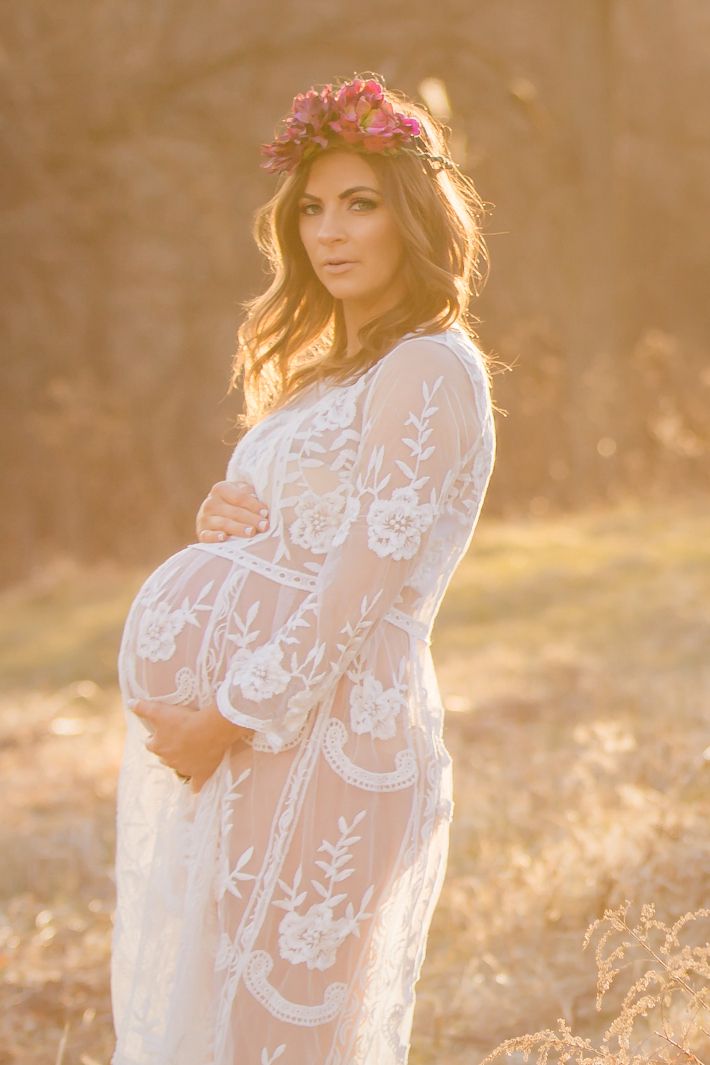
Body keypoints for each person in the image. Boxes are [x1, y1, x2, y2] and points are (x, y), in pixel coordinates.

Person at [112, 73, 496, 1065]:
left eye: (359, 204)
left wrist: (226, 718)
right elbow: (303, 541)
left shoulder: (426, 367)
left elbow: (360, 587)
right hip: (272, 736)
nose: (329, 232)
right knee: (221, 1026)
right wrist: (225, 523)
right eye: (313, 209)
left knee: (278, 1038)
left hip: (329, 734)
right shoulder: (335, 373)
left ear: (410, 216)